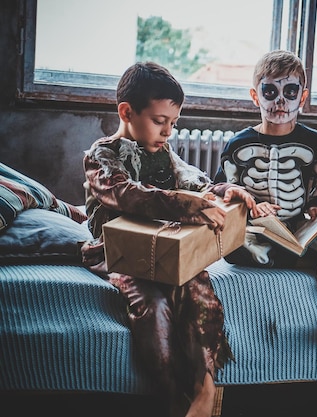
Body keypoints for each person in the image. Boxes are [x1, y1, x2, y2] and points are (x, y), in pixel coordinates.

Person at [82, 61, 259, 417]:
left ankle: (205, 385)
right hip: (120, 253)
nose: (168, 132)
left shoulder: (163, 154)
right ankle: (169, 398)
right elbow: (126, 194)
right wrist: (180, 203)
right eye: (160, 121)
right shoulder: (101, 155)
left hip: (166, 246)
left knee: (196, 287)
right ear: (127, 112)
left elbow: (195, 181)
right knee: (154, 307)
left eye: (173, 123)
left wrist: (226, 190)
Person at [214, 50, 317, 346]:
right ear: (255, 95)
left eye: (290, 92)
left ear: (302, 97)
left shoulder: (312, 141)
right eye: (270, 91)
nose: (279, 102)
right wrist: (247, 200)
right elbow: (221, 187)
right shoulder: (238, 144)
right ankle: (313, 261)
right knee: (233, 249)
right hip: (257, 226)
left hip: (297, 224)